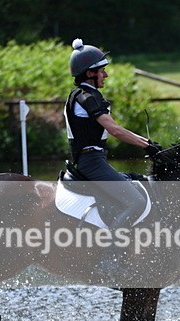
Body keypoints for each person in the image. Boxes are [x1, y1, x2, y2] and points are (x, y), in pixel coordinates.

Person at [64, 38, 163, 280]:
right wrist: (146, 145)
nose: (106, 75)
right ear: (90, 73)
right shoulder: (88, 98)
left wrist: (149, 144)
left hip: (95, 160)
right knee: (137, 202)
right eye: (102, 70)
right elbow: (116, 130)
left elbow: (117, 129)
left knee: (140, 183)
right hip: (91, 162)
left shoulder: (84, 95)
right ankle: (109, 259)